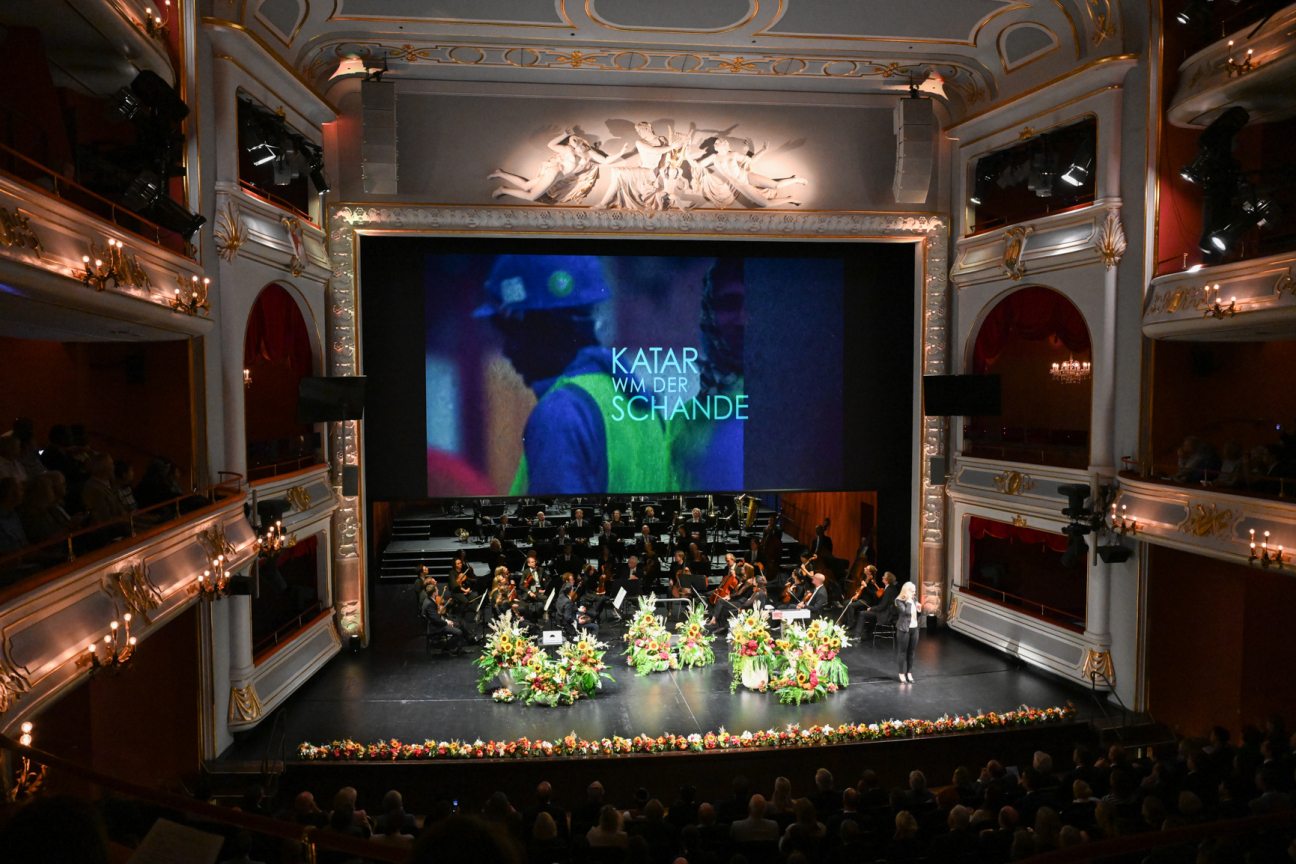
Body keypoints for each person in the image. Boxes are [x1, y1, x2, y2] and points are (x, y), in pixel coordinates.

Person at [476, 256, 669, 495]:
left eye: (509, 330)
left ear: (547, 326)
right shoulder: (639, 402)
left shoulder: (559, 412)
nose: (506, 349)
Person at [855, 571, 900, 640]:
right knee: (869, 614)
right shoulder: (892, 588)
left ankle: (857, 636)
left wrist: (871, 608)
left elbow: (882, 606)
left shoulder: (888, 590)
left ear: (887, 580)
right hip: (888, 613)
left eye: (884, 577)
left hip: (885, 614)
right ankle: (869, 632)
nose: (882, 577)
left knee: (862, 613)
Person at [894, 581, 920, 682]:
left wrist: (919, 609)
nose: (914, 593)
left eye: (915, 591)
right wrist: (909, 601)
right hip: (904, 629)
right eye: (912, 591)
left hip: (914, 628)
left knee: (911, 652)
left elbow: (916, 616)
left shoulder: (914, 598)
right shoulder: (899, 600)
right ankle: (901, 674)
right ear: (907, 591)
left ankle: (909, 673)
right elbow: (906, 613)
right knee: (902, 652)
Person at [0, 477, 26, 556]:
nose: (23, 493)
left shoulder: (14, 515)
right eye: (20, 490)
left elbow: (25, 544)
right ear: (11, 493)